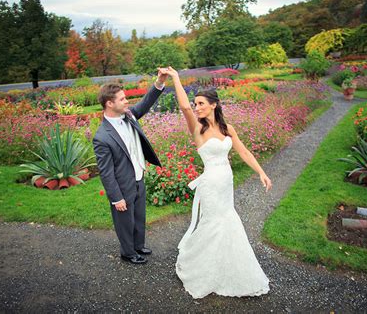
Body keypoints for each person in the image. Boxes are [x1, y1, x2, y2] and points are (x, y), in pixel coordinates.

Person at [164, 67, 272, 298]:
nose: (197, 107)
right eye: (196, 104)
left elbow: (244, 153)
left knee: (228, 220)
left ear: (214, 104)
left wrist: (261, 172)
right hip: (211, 185)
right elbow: (183, 106)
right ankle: (202, 267)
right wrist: (175, 78)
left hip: (226, 184)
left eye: (201, 103)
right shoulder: (197, 129)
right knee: (213, 223)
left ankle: (228, 266)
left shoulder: (227, 128)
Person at [93, 69, 168, 264]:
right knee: (125, 220)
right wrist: (116, 198)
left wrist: (159, 82)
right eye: (122, 99)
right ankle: (128, 252)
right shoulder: (102, 137)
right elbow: (106, 172)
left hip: (138, 176)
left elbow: (145, 103)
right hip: (122, 183)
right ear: (110, 103)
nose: (127, 102)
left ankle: (138, 245)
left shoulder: (129, 116)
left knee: (139, 215)